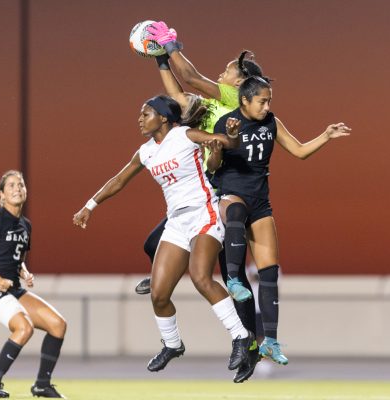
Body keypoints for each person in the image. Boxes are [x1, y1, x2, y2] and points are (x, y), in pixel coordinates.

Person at [72, 95, 255, 377]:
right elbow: (119, 180)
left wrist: (229, 135)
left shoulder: (184, 135)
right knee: (158, 295)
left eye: (146, 114)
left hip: (203, 213)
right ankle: (172, 345)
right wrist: (90, 205)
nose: (140, 119)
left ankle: (241, 336)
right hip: (176, 222)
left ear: (164, 118)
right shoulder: (145, 152)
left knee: (201, 277)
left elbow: (225, 143)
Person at [138, 21, 269, 383]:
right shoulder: (216, 106)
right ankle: (165, 278)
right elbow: (179, 100)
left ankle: (249, 345)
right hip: (204, 194)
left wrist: (170, 45)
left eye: (228, 69)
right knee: (154, 242)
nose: (222, 72)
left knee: (232, 275)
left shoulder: (233, 99)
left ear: (242, 83)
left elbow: (191, 78)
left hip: (226, 194)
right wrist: (160, 60)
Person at [209, 76, 351, 366]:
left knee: (270, 273)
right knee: (235, 213)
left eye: (269, 100)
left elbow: (298, 151)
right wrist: (218, 148)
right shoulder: (227, 122)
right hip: (232, 195)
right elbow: (213, 166)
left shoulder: (271, 122)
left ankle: (270, 342)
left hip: (260, 203)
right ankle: (235, 279)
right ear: (244, 100)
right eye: (262, 100)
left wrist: (325, 135)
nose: (267, 105)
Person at [0, 170, 67, 398]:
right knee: (24, 328)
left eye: (21, 185)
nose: (17, 189)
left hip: (13, 288)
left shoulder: (25, 224)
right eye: (11, 185)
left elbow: (17, 257)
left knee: (58, 325)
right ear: (2, 195)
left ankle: (42, 385)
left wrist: (24, 271)